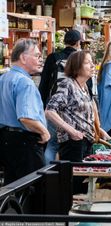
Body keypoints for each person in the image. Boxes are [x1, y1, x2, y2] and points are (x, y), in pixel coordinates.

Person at [45, 51, 110, 194]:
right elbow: (50, 111)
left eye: (92, 61)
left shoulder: (84, 86)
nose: (92, 65)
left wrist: (101, 131)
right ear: (76, 67)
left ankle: (78, 211)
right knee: (74, 182)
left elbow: (86, 114)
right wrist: (71, 131)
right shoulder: (67, 84)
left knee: (82, 180)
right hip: (72, 142)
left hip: (85, 140)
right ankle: (68, 213)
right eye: (87, 62)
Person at [0, 38, 50, 185]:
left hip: (6, 140)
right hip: (24, 142)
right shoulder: (24, 82)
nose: (40, 60)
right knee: (34, 188)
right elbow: (26, 118)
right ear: (23, 57)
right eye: (37, 55)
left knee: (13, 187)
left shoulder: (4, 78)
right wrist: (44, 131)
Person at [38, 29, 82, 165]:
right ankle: (67, 179)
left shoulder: (53, 57)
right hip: (74, 111)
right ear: (78, 42)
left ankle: (46, 178)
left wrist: (43, 105)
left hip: (53, 108)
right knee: (71, 146)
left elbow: (44, 83)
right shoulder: (81, 59)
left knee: (52, 145)